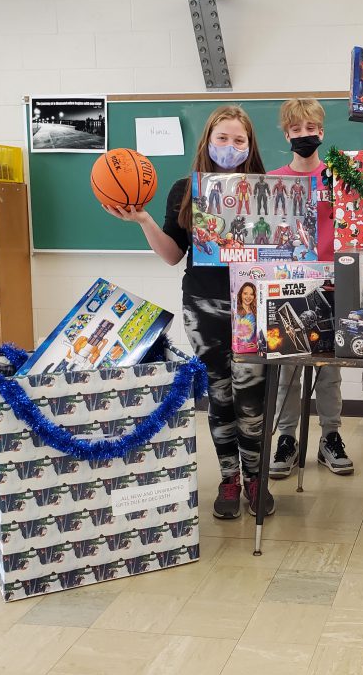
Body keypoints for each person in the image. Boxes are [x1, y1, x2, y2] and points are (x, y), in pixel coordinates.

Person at [102, 105, 275, 519]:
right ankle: (230, 478)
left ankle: (256, 477)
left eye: (239, 140)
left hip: (255, 306)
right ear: (207, 141)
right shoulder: (185, 190)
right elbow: (171, 255)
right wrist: (144, 221)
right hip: (203, 306)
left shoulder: (267, 188)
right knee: (219, 394)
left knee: (251, 396)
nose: (230, 146)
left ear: (250, 146)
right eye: (222, 138)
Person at [267, 98, 363, 478]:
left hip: (333, 286)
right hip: (287, 287)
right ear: (286, 134)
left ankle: (330, 437)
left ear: (321, 132)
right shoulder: (273, 181)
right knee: (288, 372)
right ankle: (287, 440)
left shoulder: (339, 178)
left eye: (310, 129)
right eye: (295, 130)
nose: (303, 135)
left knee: (329, 372)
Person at [233, 281, 258, 354]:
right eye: (245, 293)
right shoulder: (235, 311)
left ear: (254, 296)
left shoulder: (256, 312)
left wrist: (258, 345)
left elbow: (260, 333)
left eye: (251, 294)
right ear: (240, 294)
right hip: (238, 350)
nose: (248, 297)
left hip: (253, 352)